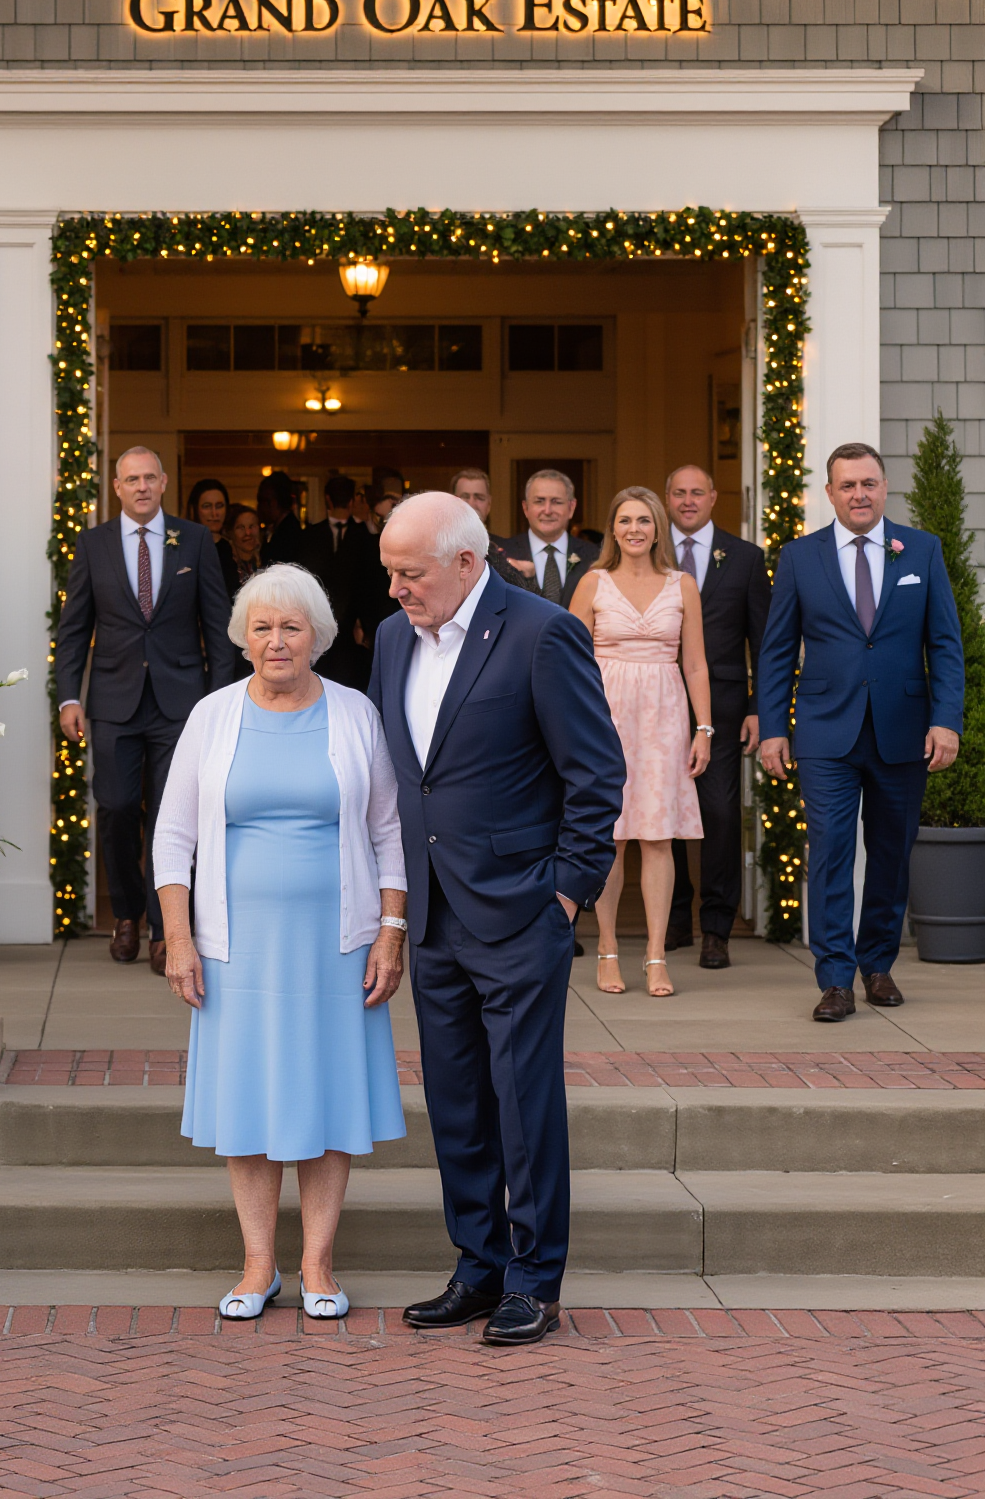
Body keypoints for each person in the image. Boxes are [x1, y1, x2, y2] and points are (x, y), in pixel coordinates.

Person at [370, 492, 624, 1347]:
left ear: (467, 563)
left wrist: (565, 892)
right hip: (435, 912)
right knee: (457, 1105)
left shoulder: (542, 631)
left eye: (411, 572)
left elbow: (595, 775)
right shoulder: (394, 638)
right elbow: (409, 779)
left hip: (520, 909)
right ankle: (476, 1266)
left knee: (523, 1104)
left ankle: (534, 1277)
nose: (398, 589)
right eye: (390, 573)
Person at [153, 564, 407, 1321]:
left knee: (326, 1101)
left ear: (318, 636)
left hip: (338, 944)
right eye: (262, 627)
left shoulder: (356, 714)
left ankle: (319, 1264)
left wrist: (390, 932)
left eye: (291, 627)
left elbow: (389, 832)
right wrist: (178, 937)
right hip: (238, 949)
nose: (276, 641)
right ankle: (258, 1265)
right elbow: (173, 836)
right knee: (250, 1103)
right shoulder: (213, 716)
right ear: (242, 637)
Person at [757, 442, 964, 1023]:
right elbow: (775, 651)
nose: (859, 494)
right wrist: (774, 727)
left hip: (904, 729)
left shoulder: (921, 549)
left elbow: (945, 643)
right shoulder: (800, 557)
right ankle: (834, 979)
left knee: (892, 853)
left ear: (884, 487)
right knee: (829, 852)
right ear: (829, 493)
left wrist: (946, 718)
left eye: (868, 483)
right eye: (847, 485)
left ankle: (877, 966)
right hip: (825, 732)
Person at [56, 445, 240, 974]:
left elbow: (219, 628)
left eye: (149, 478)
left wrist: (216, 701)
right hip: (112, 702)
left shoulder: (196, 539)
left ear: (162, 483)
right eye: (130, 479)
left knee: (171, 815)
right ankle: (126, 914)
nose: (140, 486)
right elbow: (73, 631)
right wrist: (70, 696)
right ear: (116, 487)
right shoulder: (92, 545)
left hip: (181, 703)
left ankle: (166, 931)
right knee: (115, 808)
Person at [569, 488, 711, 998]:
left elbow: (694, 663)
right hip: (603, 718)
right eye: (625, 520)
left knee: (656, 837)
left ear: (658, 529)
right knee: (609, 837)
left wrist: (704, 728)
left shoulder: (683, 585)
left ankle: (655, 955)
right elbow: (569, 663)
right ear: (613, 529)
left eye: (644, 520)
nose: (635, 529)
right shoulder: (593, 583)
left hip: (664, 717)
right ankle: (607, 948)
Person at [663, 465, 772, 967]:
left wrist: (758, 709)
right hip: (660, 699)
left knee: (720, 813)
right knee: (662, 811)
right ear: (667, 499)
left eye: (697, 493)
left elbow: (764, 641)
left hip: (725, 704)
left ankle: (717, 926)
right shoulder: (649, 550)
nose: (688, 501)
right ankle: (674, 918)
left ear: (713, 498)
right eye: (679, 493)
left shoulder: (747, 558)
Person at [298, 474, 382, 686]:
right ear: (352, 501)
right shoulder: (313, 535)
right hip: (320, 628)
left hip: (352, 630)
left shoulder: (363, 534)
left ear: (327, 499)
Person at [500, 468, 602, 604]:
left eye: (556, 502)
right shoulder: (503, 555)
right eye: (539, 501)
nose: (547, 511)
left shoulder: (595, 557)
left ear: (571, 508)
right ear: (525, 508)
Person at [452, 465, 526, 578]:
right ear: (453, 502)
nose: (471, 504)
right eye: (465, 497)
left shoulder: (511, 551)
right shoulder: (436, 547)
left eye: (479, 498)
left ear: (489, 504)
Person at [257, 470, 306, 567]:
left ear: (272, 502)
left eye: (261, 501)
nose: (258, 508)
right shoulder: (288, 528)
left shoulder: (286, 536)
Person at [219, 500, 261, 599]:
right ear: (230, 533)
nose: (248, 533)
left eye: (252, 526)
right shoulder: (226, 565)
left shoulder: (266, 560)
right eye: (240, 528)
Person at [187, 478, 231, 547]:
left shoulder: (232, 548)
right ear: (194, 510)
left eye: (219, 506)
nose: (214, 513)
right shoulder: (183, 547)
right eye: (206, 506)